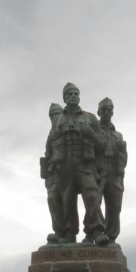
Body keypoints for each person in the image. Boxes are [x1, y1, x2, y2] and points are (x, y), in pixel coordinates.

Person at [48, 83, 109, 245]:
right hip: (65, 165)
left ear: (79, 96)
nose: (73, 96)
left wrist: (90, 133)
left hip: (84, 164)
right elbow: (51, 143)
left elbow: (103, 145)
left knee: (91, 196)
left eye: (76, 93)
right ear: (64, 98)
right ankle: (69, 233)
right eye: (69, 94)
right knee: (67, 201)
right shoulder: (58, 120)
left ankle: (96, 231)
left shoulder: (90, 118)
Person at [96, 97, 127, 244]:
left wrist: (120, 170)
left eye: (109, 110)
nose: (106, 113)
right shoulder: (94, 131)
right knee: (94, 203)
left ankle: (111, 237)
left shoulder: (118, 135)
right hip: (98, 171)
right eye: (103, 110)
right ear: (98, 112)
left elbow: (123, 155)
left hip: (114, 173)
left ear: (112, 113)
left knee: (115, 207)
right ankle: (95, 233)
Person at [41, 103, 64, 244]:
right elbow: (48, 153)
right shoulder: (51, 134)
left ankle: (90, 233)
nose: (55, 117)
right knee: (52, 199)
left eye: (57, 114)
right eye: (52, 115)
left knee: (69, 202)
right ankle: (59, 231)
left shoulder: (67, 129)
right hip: (54, 173)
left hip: (71, 170)